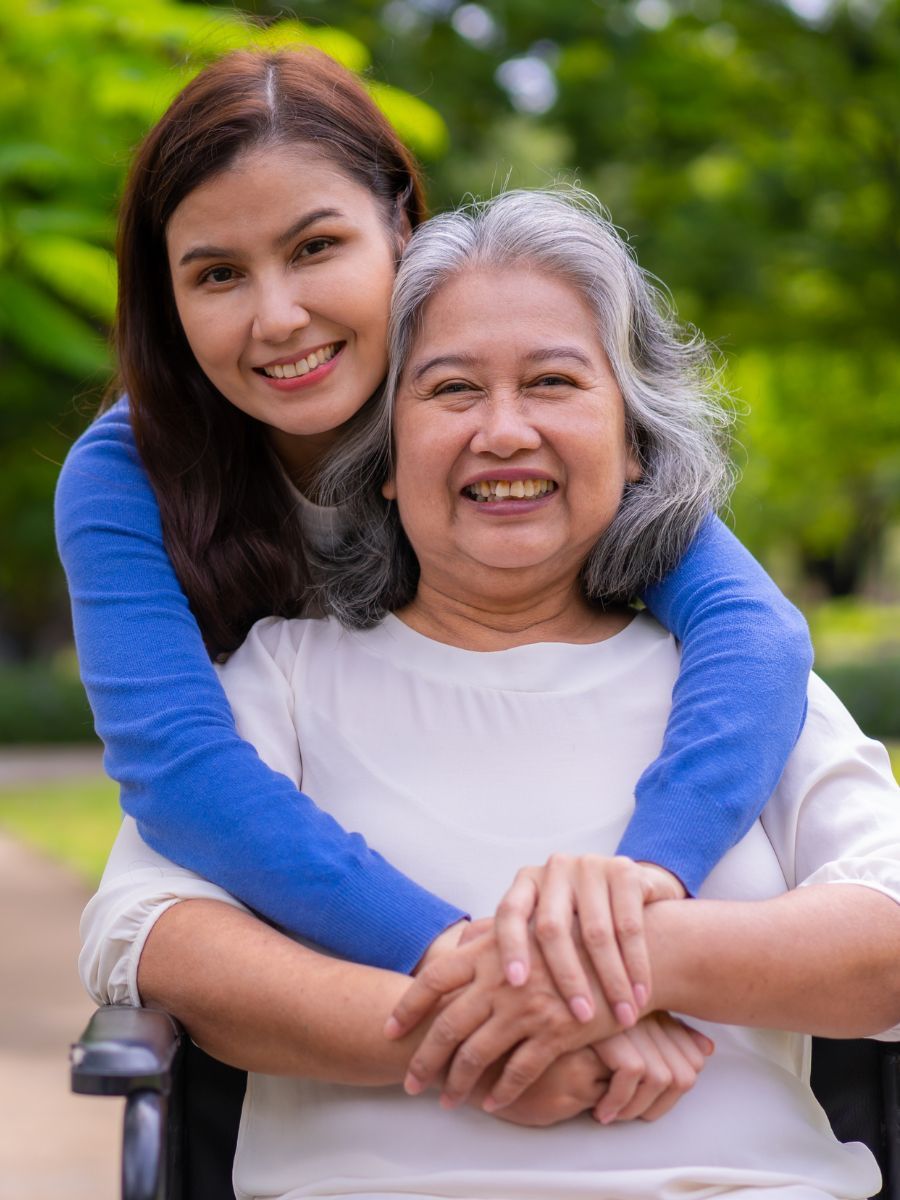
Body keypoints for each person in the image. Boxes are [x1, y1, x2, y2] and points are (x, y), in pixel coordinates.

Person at [82, 189, 900, 1200]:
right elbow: (155, 936)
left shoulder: (741, 691)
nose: (504, 430)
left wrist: (637, 950)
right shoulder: (282, 678)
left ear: (634, 439)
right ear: (382, 462)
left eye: (554, 381)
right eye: (452, 390)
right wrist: (492, 1036)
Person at [56, 47, 813, 1018]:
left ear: (402, 232)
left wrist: (640, 891)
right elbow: (181, 772)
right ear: (168, 297)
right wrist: (479, 971)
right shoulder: (125, 476)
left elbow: (755, 634)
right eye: (217, 275)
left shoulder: (517, 438)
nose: (278, 316)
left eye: (316, 247)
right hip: (330, 948)